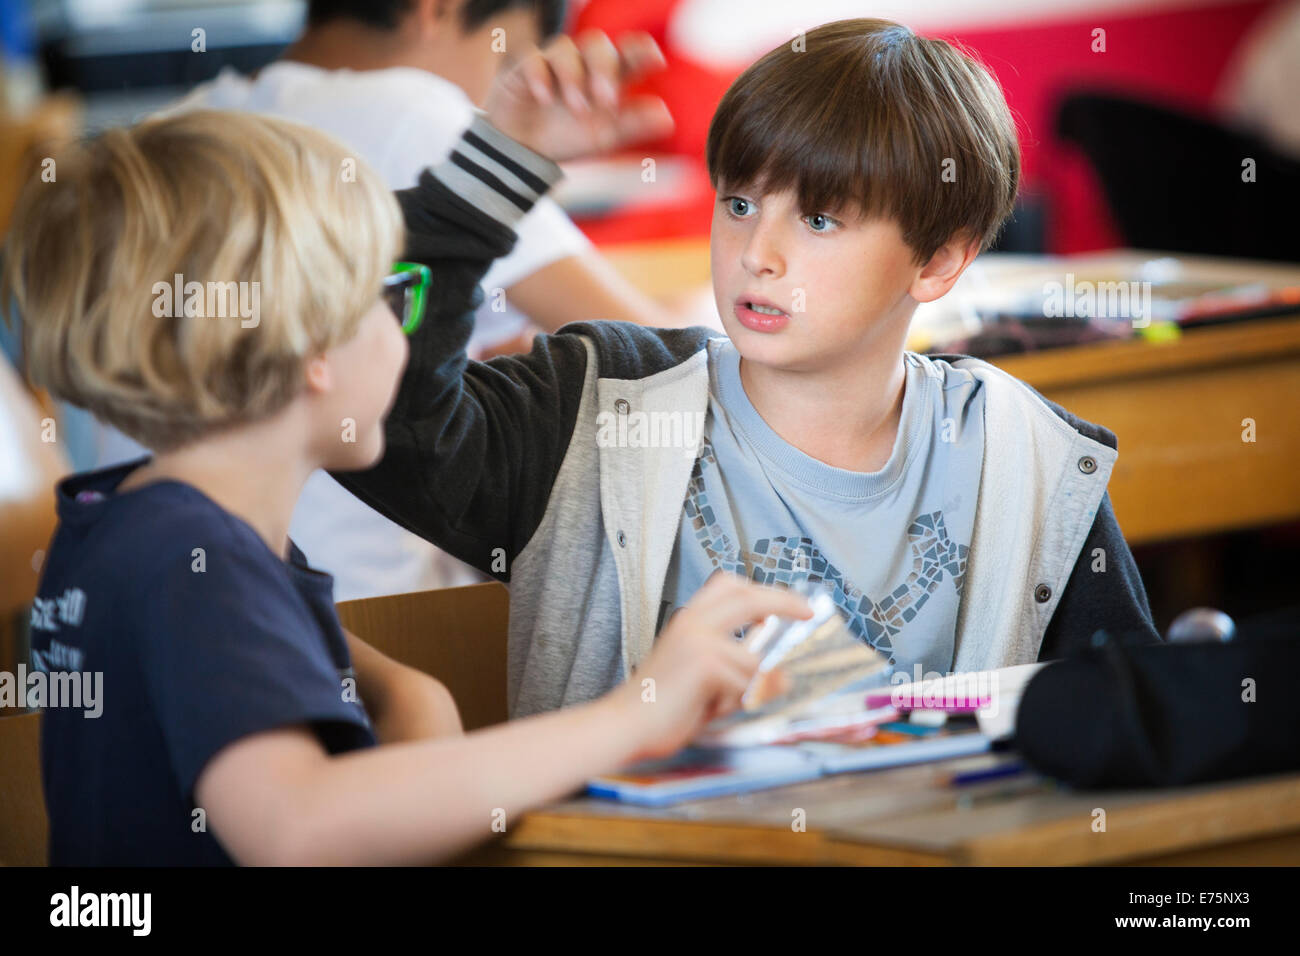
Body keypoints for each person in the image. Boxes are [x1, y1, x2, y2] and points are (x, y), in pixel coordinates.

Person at [2, 35, 809, 864]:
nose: (416, 330)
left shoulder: (130, 523)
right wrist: (635, 713)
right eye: (393, 295)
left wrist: (408, 692)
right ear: (313, 349)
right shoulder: (193, 560)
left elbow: (333, 694)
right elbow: (296, 828)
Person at [333, 18, 1163, 720]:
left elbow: (1124, 721)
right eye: (738, 204)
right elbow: (375, 409)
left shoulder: (1025, 458)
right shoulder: (595, 407)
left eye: (820, 218)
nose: (756, 255)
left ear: (939, 262)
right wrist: (497, 167)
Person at [93, 0, 681, 602]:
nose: (495, 102)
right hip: (385, 616)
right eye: (506, 58)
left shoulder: (167, 135)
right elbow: (668, 365)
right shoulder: (414, 110)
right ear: (437, 10)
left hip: (173, 592)